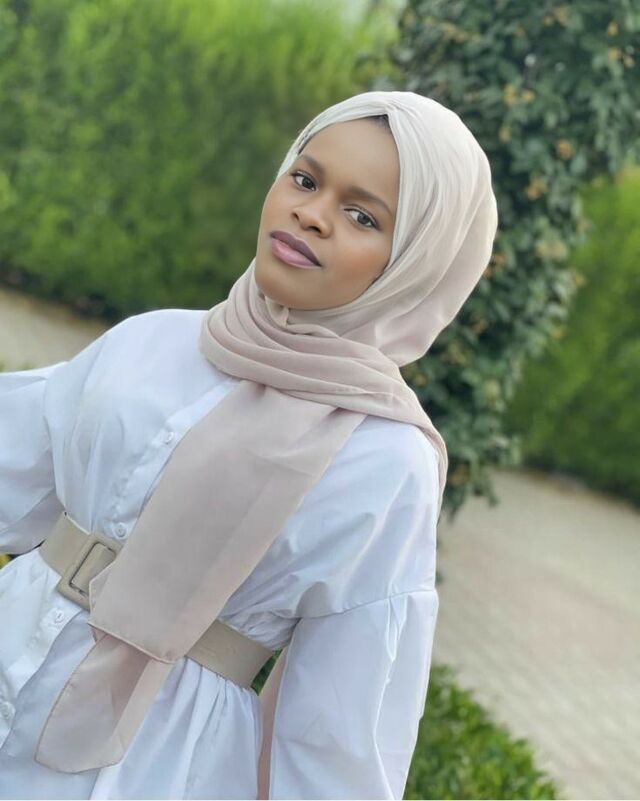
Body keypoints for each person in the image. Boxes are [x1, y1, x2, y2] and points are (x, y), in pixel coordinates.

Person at [0, 90, 498, 799]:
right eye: (305, 179)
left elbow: (341, 726)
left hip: (155, 761)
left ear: (415, 263)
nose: (312, 214)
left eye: (363, 216)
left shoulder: (387, 460)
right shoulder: (159, 339)